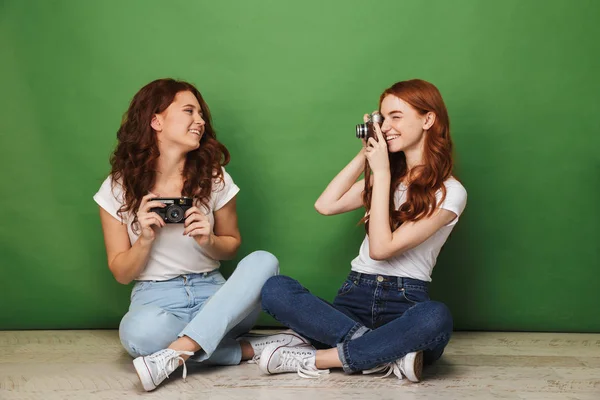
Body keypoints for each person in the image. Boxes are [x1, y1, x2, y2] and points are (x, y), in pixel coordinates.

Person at [93, 78, 308, 391]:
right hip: (156, 299)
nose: (201, 121)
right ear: (156, 121)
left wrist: (208, 240)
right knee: (138, 333)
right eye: (189, 111)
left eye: (201, 114)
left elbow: (231, 245)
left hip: (216, 296)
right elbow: (121, 273)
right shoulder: (116, 187)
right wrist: (145, 239)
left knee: (264, 261)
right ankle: (249, 349)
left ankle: (174, 352)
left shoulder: (214, 177)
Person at [258, 79, 467, 382]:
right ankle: (385, 356)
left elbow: (381, 248)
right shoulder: (387, 176)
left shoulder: (449, 192)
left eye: (396, 116)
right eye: (384, 119)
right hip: (353, 297)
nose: (388, 126)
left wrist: (381, 172)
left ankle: (321, 357)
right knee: (275, 289)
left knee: (436, 316)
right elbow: (326, 204)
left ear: (428, 119)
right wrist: (366, 153)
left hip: (406, 303)